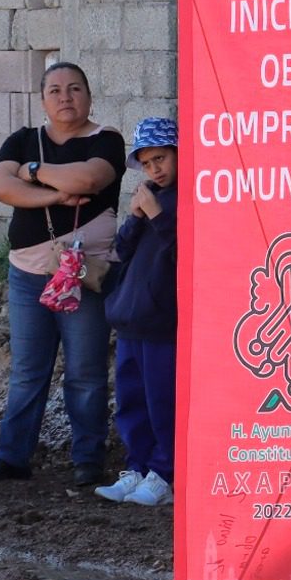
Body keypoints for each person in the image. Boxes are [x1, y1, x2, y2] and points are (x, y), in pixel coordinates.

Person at [0, 62, 125, 486]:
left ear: (89, 96)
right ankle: (12, 457)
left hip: (83, 276)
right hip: (27, 273)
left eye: (75, 88)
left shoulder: (106, 140)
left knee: (86, 370)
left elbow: (90, 177)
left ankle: (88, 460)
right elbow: (2, 187)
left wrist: (33, 172)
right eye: (55, 90)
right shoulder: (23, 139)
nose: (65, 97)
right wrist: (58, 193)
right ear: (42, 99)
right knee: (27, 369)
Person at [95, 117, 178, 508]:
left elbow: (185, 253)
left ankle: (164, 473)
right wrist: (138, 215)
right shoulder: (148, 199)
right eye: (146, 164)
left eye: (160, 158)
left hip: (163, 322)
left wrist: (158, 214)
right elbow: (121, 252)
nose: (154, 169)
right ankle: (138, 467)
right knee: (133, 401)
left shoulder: (188, 198)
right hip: (131, 318)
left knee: (163, 402)